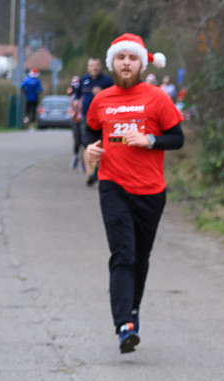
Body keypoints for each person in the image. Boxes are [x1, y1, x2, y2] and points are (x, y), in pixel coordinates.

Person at [83, 33, 185, 353]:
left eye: (132, 58)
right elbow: (89, 128)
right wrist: (91, 147)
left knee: (140, 258)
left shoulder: (157, 98)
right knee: (123, 254)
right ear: (113, 63)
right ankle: (124, 323)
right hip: (113, 185)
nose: (126, 63)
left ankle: (132, 311)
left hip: (151, 191)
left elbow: (177, 138)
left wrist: (149, 140)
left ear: (141, 63)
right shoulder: (102, 99)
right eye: (120, 58)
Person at [75, 57, 114, 184]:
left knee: (102, 144)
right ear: (88, 67)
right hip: (86, 117)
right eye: (92, 66)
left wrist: (102, 92)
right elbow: (76, 96)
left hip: (104, 118)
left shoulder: (107, 81)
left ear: (100, 66)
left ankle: (97, 169)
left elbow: (115, 96)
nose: (94, 68)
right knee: (86, 144)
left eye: (96, 65)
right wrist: (75, 106)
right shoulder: (83, 80)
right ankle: (89, 174)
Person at [68, 76, 83, 169]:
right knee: (77, 141)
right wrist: (73, 114)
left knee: (85, 141)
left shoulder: (85, 96)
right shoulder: (72, 97)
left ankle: (83, 161)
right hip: (75, 121)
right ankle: (75, 157)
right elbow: (70, 109)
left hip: (84, 120)